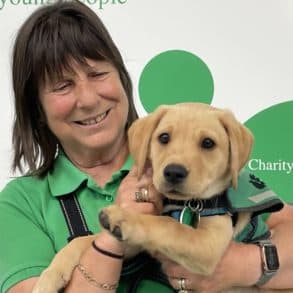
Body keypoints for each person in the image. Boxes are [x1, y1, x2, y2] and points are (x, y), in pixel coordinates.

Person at [0, 1, 292, 292]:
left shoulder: (207, 174)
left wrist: (245, 264)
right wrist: (114, 236)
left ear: (121, 77)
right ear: (36, 107)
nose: (87, 99)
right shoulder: (22, 202)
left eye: (98, 74)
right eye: (62, 85)